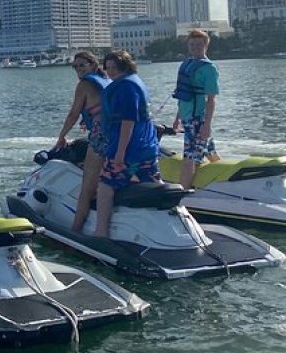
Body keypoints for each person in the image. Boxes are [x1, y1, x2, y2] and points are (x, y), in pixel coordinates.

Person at [94, 51, 160, 238]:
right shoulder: (135, 82)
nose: (111, 71)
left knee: (105, 186)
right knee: (153, 183)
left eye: (115, 67)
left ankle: (101, 231)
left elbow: (127, 121)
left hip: (130, 151)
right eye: (108, 68)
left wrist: (120, 153)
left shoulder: (125, 88)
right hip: (146, 147)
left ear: (125, 66)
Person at [54, 51, 110, 232]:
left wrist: (61, 136)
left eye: (82, 65)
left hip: (100, 136)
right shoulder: (106, 81)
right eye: (75, 66)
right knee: (106, 178)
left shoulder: (85, 84)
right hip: (115, 135)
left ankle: (76, 229)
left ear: (93, 65)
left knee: (87, 184)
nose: (78, 69)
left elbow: (73, 113)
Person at [172, 29, 220, 189]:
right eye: (192, 44)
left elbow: (211, 99)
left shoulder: (209, 68)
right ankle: (221, 180)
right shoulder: (186, 64)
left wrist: (207, 124)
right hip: (187, 117)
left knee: (189, 158)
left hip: (198, 118)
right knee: (209, 152)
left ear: (206, 45)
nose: (195, 47)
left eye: (199, 44)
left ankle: (181, 195)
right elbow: (182, 95)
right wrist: (177, 118)